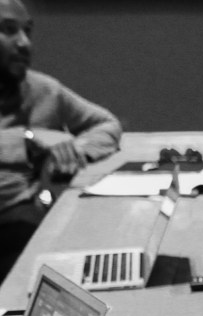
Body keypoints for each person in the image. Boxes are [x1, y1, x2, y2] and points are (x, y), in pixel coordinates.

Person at [0, 0, 121, 279]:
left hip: (18, 217)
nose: (24, 43)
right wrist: (30, 140)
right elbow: (32, 141)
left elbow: (106, 124)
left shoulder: (42, 90)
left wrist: (73, 151)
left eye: (27, 31)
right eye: (9, 30)